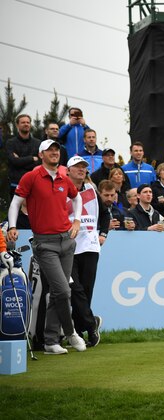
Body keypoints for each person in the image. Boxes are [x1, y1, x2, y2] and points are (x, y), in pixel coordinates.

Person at [7, 139, 87, 355]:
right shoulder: (31, 176)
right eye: (49, 150)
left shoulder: (63, 177)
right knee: (63, 290)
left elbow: (77, 197)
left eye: (56, 150)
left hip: (66, 241)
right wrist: (13, 226)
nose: (54, 153)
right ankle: (70, 333)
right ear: (41, 154)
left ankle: (51, 341)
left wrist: (77, 220)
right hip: (44, 243)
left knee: (56, 293)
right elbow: (15, 203)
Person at [65, 156, 107, 347]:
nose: (81, 170)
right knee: (75, 289)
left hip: (90, 246)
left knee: (86, 291)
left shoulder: (91, 190)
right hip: (68, 247)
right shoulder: (61, 191)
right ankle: (91, 324)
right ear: (68, 171)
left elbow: (105, 214)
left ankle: (80, 330)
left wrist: (104, 233)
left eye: (83, 167)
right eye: (77, 167)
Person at [6, 114, 41, 197]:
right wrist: (32, 158)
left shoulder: (38, 143)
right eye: (23, 122)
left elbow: (40, 162)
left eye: (28, 122)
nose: (26, 124)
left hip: (34, 183)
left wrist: (20, 160)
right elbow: (14, 162)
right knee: (16, 209)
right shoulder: (10, 143)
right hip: (16, 183)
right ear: (17, 125)